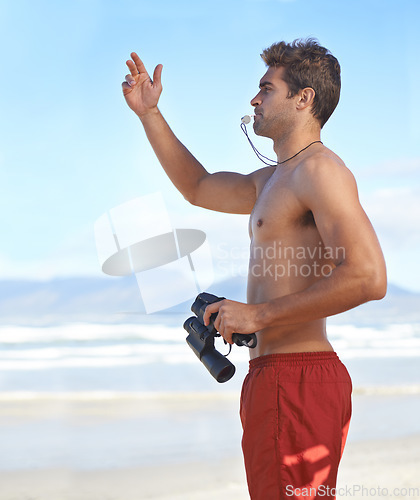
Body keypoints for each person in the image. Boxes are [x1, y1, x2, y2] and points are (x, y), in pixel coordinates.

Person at [122, 38, 387, 499]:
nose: (254, 99)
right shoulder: (275, 178)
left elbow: (369, 277)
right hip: (271, 379)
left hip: (297, 377)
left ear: (304, 99)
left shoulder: (320, 172)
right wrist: (150, 114)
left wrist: (258, 315)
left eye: (267, 88)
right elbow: (199, 187)